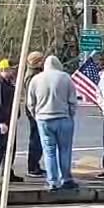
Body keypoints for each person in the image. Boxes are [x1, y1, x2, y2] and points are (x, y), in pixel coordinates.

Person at [31, 55, 78, 190]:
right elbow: (73, 100)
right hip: (63, 118)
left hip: (44, 119)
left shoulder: (36, 79)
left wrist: (37, 115)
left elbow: (30, 103)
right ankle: (66, 179)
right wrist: (70, 114)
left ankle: (52, 181)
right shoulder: (65, 78)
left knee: (49, 151)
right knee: (65, 150)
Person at [0, 58, 24, 186]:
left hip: (9, 119)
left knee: (10, 148)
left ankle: (7, 171)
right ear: (4, 69)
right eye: (11, 69)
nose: (13, 71)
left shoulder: (7, 82)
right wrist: (1, 121)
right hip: (2, 120)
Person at [23, 51, 45, 178]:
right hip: (34, 109)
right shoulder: (32, 75)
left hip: (35, 108)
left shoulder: (36, 73)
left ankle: (35, 165)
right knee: (36, 138)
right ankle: (33, 166)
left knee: (37, 138)